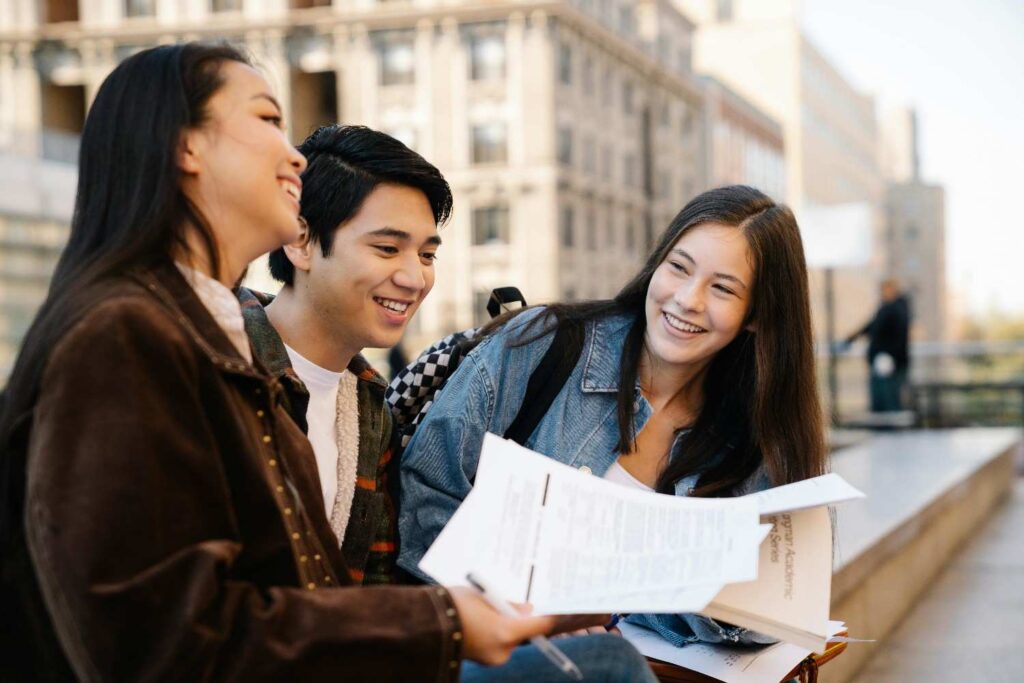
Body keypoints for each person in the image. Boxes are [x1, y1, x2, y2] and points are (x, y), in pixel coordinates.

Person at [0, 44, 651, 682]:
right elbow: (163, 640)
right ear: (185, 145)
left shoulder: (244, 354)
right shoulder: (127, 334)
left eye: (426, 252)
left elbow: (316, 595)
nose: (292, 153)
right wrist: (444, 622)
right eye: (266, 119)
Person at [238, 123, 657, 680]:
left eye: (427, 254)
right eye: (387, 248)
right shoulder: (225, 364)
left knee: (599, 658)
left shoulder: (368, 407)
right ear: (300, 240)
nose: (413, 277)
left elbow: (378, 593)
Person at [399, 185, 828, 647]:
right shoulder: (543, 344)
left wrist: (613, 609)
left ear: (757, 315)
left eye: (722, 288)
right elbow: (426, 491)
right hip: (484, 648)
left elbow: (764, 618)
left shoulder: (752, 440)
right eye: (678, 268)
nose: (687, 299)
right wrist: (521, 612)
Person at [843, 279, 911, 413]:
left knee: (889, 399)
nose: (882, 293)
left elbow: (899, 337)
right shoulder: (885, 308)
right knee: (881, 399)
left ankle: (891, 430)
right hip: (882, 361)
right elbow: (871, 326)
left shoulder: (897, 310)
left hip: (889, 363)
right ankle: (884, 428)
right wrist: (852, 338)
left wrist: (891, 357)